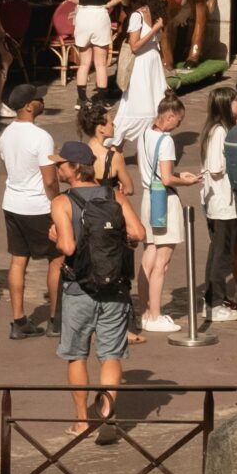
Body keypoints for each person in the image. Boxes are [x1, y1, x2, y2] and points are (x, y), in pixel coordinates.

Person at [49, 139, 146, 438]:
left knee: (77, 355)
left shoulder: (62, 202)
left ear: (75, 168)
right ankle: (106, 415)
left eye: (61, 164)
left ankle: (81, 422)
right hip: (114, 286)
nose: (57, 168)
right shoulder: (114, 195)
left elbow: (67, 245)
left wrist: (54, 236)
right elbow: (138, 233)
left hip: (79, 288)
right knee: (110, 355)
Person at [134, 92, 200, 333]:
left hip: (148, 198)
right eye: (178, 120)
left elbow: (159, 172)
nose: (178, 125)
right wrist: (186, 181)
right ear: (169, 116)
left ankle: (144, 311)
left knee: (149, 256)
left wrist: (176, 175)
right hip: (164, 199)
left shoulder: (144, 133)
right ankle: (155, 314)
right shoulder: (167, 141)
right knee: (162, 262)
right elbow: (166, 177)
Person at [0, 82, 60, 339]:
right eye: (38, 99)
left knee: (18, 260)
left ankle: (18, 319)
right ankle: (56, 319)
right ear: (28, 106)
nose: (42, 102)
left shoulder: (6, 134)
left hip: (12, 202)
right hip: (38, 206)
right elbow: (49, 179)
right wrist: (57, 202)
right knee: (56, 259)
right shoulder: (41, 137)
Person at [199, 85, 237, 325]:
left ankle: (213, 298)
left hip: (220, 201)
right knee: (221, 254)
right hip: (222, 202)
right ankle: (214, 302)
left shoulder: (220, 129)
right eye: (236, 101)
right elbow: (217, 167)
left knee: (218, 252)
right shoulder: (219, 132)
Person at [115, 0, 169, 165]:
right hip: (141, 66)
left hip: (154, 66)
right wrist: (154, 29)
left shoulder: (156, 15)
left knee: (156, 105)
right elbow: (135, 46)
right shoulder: (137, 16)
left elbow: (156, 43)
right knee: (137, 106)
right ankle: (116, 149)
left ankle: (145, 152)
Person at [64, 0, 123, 96]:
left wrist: (82, 3)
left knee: (84, 63)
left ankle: (82, 100)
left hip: (83, 15)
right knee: (100, 64)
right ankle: (101, 101)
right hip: (99, 15)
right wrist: (108, 5)